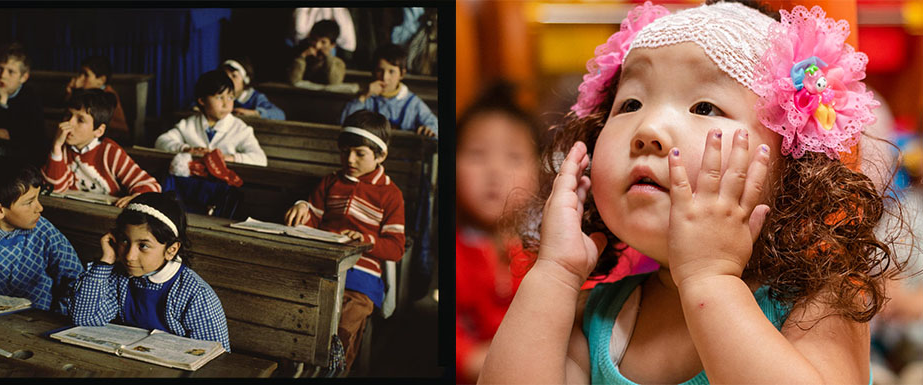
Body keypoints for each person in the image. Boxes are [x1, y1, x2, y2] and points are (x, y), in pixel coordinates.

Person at [480, 2, 911, 384]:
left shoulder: (823, 303)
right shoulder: (597, 319)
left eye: (705, 107)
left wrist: (711, 279)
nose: (648, 131)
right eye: (630, 103)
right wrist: (553, 273)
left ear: (795, 168)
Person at [284, 110, 405, 374]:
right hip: (321, 271)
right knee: (300, 319)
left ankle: (334, 372)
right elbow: (312, 225)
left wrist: (366, 239)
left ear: (380, 155)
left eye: (359, 153)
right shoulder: (330, 182)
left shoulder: (390, 194)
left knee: (343, 330)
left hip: (361, 282)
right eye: (344, 151)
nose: (349, 159)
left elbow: (396, 248)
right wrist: (302, 208)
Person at [68, 192, 231, 352]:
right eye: (125, 241)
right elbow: (85, 318)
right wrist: (105, 263)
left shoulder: (195, 295)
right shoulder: (119, 277)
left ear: (171, 250)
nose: (130, 256)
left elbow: (213, 358)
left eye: (143, 246)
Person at [454, 82, 541, 384]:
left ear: (538, 173)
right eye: (477, 154)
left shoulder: (546, 251)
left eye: (514, 157)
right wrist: (470, 359)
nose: (494, 171)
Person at [0, 162, 83, 314]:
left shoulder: (43, 230)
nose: (39, 208)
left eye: (38, 199)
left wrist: (58, 315)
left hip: (39, 320)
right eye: (29, 202)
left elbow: (75, 278)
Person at [42, 89, 161, 208]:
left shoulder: (110, 152)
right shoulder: (61, 149)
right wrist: (56, 147)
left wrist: (137, 197)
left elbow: (152, 185)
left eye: (80, 120)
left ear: (98, 131)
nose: (69, 122)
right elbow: (55, 189)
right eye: (68, 115)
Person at [155, 70, 267, 167]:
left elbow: (260, 159)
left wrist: (229, 158)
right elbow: (161, 141)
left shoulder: (240, 129)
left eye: (230, 97)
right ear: (202, 101)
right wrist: (186, 149)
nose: (226, 104)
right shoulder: (189, 124)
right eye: (219, 97)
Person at [339, 43, 437, 138]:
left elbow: (435, 126)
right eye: (379, 70)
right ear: (373, 72)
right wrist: (363, 96)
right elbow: (345, 123)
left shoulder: (412, 103)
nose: (385, 77)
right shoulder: (367, 99)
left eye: (391, 72)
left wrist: (429, 129)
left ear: (402, 74)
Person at [0, 42, 45, 166]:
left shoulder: (31, 98)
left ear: (23, 78)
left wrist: (3, 101)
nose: (2, 76)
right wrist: (2, 100)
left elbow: (33, 139)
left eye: (11, 72)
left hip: (25, 158)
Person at [65, 56, 131, 146]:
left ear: (101, 80)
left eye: (86, 75)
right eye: (80, 74)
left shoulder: (107, 95)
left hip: (113, 139)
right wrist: (71, 92)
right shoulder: (87, 95)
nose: (80, 78)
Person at [221, 57, 286, 120]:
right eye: (225, 76)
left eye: (234, 76)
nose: (228, 80)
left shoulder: (255, 98)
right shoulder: (219, 95)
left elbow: (280, 115)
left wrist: (255, 114)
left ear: (245, 80)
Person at [289, 19, 347, 86]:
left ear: (332, 45)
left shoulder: (338, 63)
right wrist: (302, 57)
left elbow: (333, 83)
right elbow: (293, 81)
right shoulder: (300, 59)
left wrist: (328, 58)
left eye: (323, 42)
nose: (317, 46)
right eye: (314, 40)